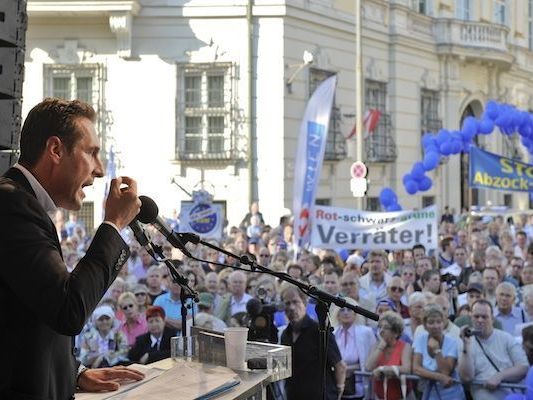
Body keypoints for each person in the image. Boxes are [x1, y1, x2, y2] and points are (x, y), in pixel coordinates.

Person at [0, 98, 144, 399]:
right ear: (55, 150)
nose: (101, 170)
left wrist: (74, 372)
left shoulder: (24, 204)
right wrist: (113, 224)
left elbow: (25, 317)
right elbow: (68, 309)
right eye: (91, 153)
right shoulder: (11, 205)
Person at [280, 285, 346, 400]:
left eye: (295, 302)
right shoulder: (285, 335)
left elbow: (339, 366)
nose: (291, 307)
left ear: (304, 304)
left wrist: (339, 390)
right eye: (287, 303)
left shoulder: (319, 330)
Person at [458, 299, 529, 400]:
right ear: (471, 318)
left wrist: (500, 376)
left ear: (492, 318)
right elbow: (466, 377)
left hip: (511, 395)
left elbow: (523, 367)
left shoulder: (506, 338)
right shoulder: (465, 343)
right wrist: (466, 346)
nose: (480, 320)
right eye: (476, 316)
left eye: (484, 317)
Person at [412, 304, 465, 400]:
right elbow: (416, 368)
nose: (435, 326)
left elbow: (445, 372)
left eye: (439, 322)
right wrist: (438, 377)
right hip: (429, 392)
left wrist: (437, 351)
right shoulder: (420, 339)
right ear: (425, 325)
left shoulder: (452, 342)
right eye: (431, 322)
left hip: (450, 393)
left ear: (443, 323)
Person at [333, 302, 376, 399]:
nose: (346, 313)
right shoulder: (333, 333)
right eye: (342, 310)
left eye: (349, 309)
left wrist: (344, 369)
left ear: (355, 313)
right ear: (337, 314)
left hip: (360, 388)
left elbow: (370, 361)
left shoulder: (366, 332)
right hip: (337, 387)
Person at [366, 311, 412, 400]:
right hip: (379, 396)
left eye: (386, 328)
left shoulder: (405, 346)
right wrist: (381, 347)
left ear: (396, 332)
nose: (382, 330)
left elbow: (406, 368)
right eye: (380, 327)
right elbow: (368, 367)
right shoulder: (376, 345)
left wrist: (383, 370)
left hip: (401, 396)